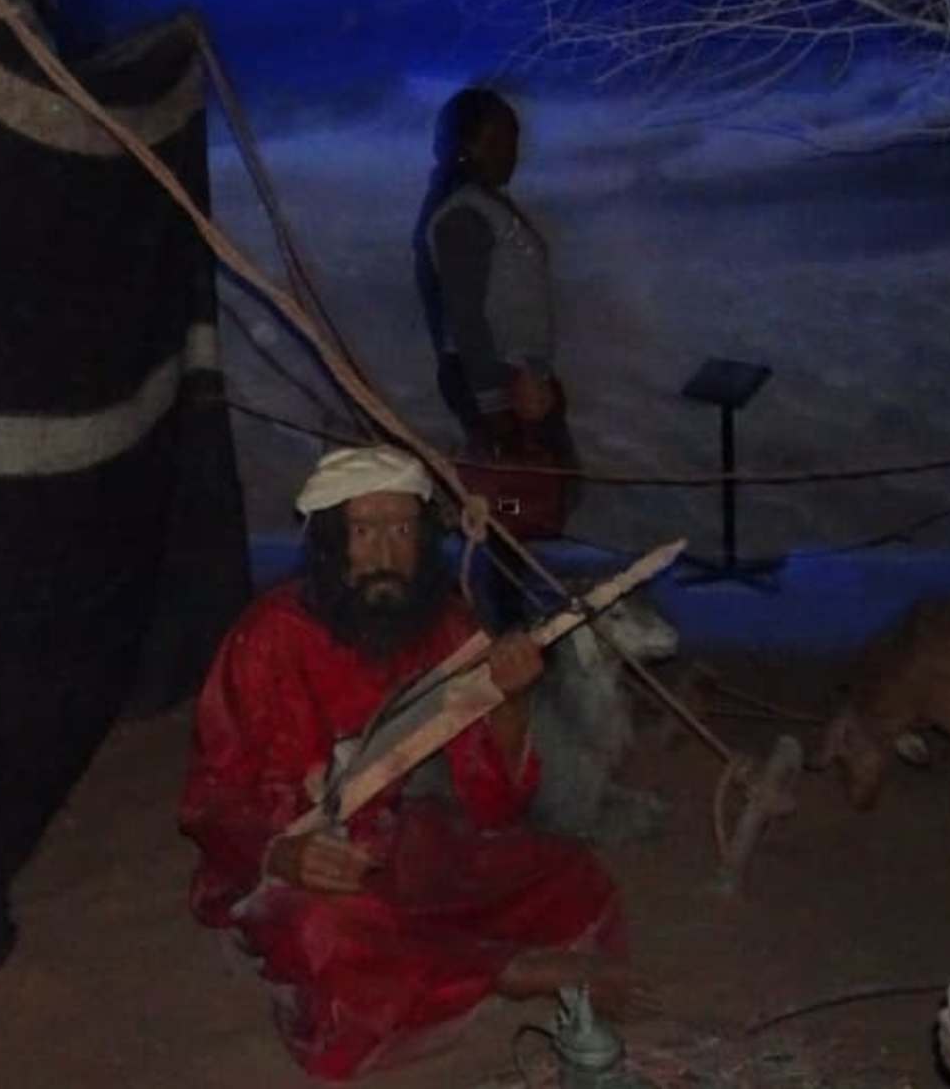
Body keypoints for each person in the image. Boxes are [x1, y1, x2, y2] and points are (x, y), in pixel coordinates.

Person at [178, 445, 631, 1080]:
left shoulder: (448, 627)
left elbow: (492, 804)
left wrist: (509, 701)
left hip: (416, 848)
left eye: (401, 532)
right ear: (331, 542)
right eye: (364, 533)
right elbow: (212, 799)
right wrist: (283, 853)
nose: (385, 556)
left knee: (569, 873)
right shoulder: (267, 636)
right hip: (299, 869)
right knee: (326, 929)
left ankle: (449, 965)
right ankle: (501, 970)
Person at [412, 87, 568, 463]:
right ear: (466, 147)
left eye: (513, 140)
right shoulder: (463, 215)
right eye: (498, 141)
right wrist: (494, 402)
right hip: (497, 380)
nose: (511, 153)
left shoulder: (487, 204)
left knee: (545, 483)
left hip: (516, 377)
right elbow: (464, 317)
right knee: (521, 488)